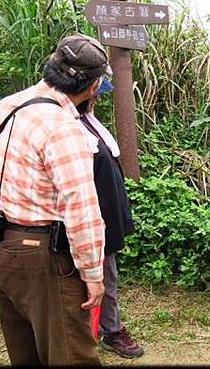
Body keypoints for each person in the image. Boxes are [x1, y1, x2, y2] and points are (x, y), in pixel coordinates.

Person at [0, 33, 109, 365]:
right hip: (41, 260)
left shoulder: (7, 105)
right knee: (69, 355)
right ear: (93, 86)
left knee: (24, 354)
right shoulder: (64, 128)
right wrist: (93, 276)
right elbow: (82, 211)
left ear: (52, 64)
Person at [76, 80, 144, 358]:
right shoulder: (68, 127)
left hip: (107, 217)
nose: (97, 100)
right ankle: (110, 331)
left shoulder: (88, 121)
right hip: (91, 220)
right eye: (94, 94)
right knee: (102, 278)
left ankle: (105, 329)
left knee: (107, 276)